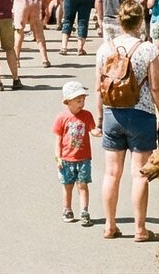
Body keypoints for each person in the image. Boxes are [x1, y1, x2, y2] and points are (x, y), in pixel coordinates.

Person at [95, 0, 159, 241]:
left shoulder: (105, 49)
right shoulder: (149, 50)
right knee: (140, 174)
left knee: (111, 174)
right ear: (141, 21)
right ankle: (140, 229)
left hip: (112, 114)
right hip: (141, 114)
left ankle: (109, 225)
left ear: (120, 20)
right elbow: (156, 87)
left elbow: (99, 88)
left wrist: (98, 119)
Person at [54, 80, 99, 227]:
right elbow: (58, 138)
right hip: (67, 158)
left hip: (84, 158)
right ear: (68, 102)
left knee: (83, 185)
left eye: (83, 99)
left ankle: (84, 211)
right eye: (78, 100)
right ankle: (67, 209)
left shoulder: (87, 115)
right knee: (68, 186)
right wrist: (58, 157)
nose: (82, 103)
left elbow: (92, 129)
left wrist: (96, 132)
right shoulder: (62, 117)